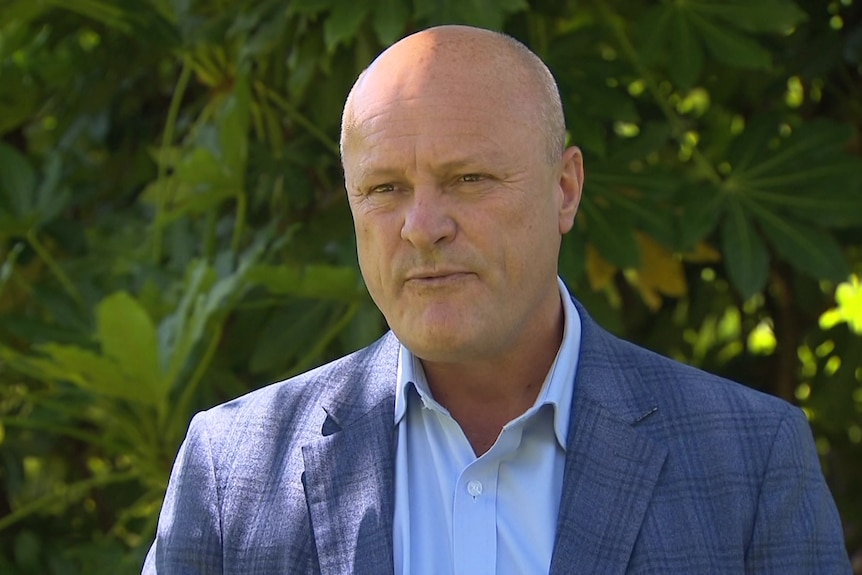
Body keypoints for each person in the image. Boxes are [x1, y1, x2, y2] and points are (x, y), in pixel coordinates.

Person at [143, 25, 851, 574]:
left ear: (566, 189)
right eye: (386, 188)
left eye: (469, 178)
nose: (423, 228)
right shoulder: (232, 469)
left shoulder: (749, 460)